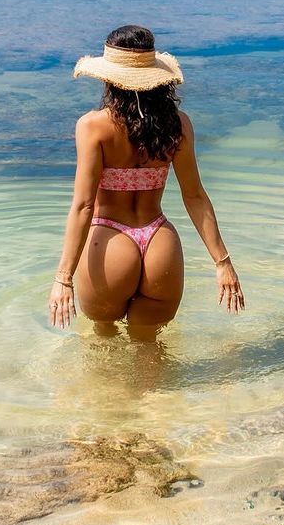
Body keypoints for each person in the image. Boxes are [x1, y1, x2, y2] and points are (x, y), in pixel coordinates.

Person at [48, 24, 244, 339]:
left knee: (104, 342)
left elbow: (84, 205)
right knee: (149, 346)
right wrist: (222, 263)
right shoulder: (177, 125)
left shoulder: (93, 127)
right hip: (160, 244)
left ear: (108, 79)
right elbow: (194, 196)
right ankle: (158, 392)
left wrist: (63, 278)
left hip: (109, 243)